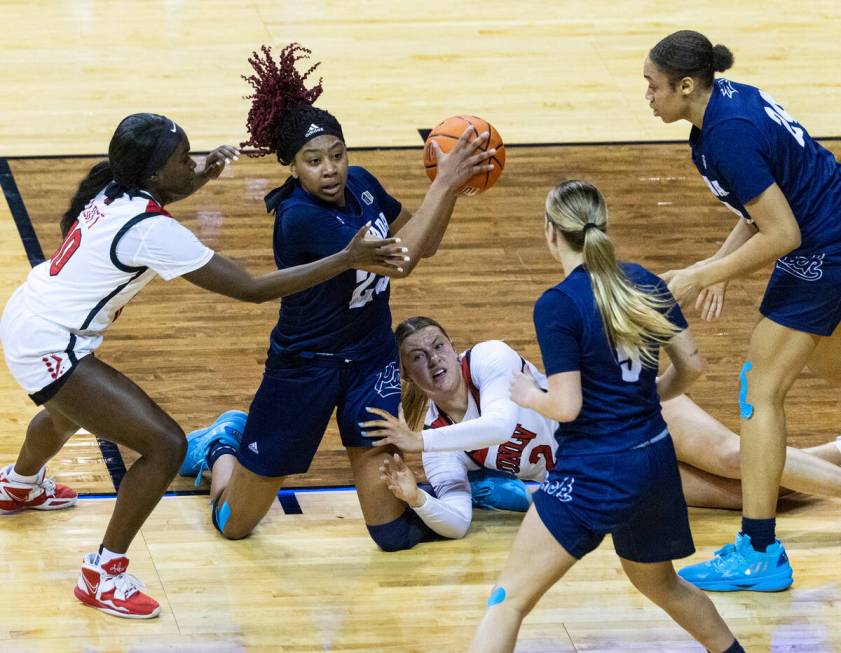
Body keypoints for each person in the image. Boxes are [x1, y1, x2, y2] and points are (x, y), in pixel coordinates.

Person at [0, 112, 407, 619]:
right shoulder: (153, 232)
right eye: (182, 159)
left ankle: (18, 486)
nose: (192, 163)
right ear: (152, 175)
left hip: (27, 314)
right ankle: (103, 572)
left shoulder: (115, 189)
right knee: (164, 446)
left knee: (68, 411)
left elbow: (173, 189)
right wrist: (346, 258)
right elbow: (251, 290)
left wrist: (204, 174)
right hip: (49, 343)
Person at [177, 43, 495, 551]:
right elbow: (402, 261)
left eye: (337, 155)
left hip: (370, 363)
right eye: (314, 160)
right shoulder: (301, 218)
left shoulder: (364, 185)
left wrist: (449, 189)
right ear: (293, 167)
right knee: (233, 525)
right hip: (304, 368)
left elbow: (423, 243)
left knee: (394, 536)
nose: (330, 169)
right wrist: (448, 180)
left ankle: (472, 487)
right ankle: (221, 445)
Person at [463, 179, 745, 653]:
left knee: (507, 599)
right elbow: (693, 366)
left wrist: (529, 394)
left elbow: (566, 406)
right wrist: (651, 395)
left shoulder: (558, 304)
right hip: (654, 462)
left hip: (596, 469)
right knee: (660, 585)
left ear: (551, 232)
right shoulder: (643, 280)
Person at [644, 29, 841, 591]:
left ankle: (759, 548)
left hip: (823, 248)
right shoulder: (728, 103)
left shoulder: (727, 134)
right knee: (832, 371)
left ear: (686, 85)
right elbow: (763, 203)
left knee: (760, 388)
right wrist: (723, 263)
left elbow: (782, 230)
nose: (648, 97)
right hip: (826, 234)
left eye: (653, 87)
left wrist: (703, 274)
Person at [370, 316, 841, 539]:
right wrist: (416, 497)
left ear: (454, 347)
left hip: (619, 407)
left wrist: (419, 439)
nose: (434, 361)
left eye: (438, 347)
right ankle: (835, 449)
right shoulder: (439, 445)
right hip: (608, 468)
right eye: (418, 357)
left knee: (735, 458)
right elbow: (456, 524)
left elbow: (498, 424)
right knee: (755, 495)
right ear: (408, 374)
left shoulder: (489, 357)